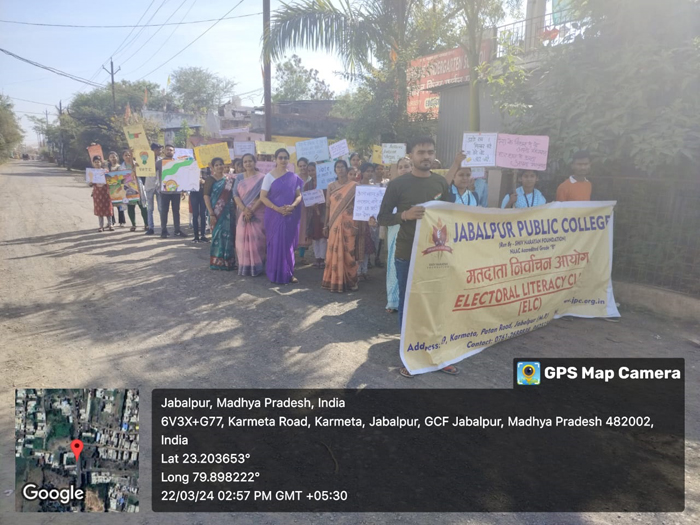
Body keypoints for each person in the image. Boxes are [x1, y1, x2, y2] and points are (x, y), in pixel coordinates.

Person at [377, 137, 459, 378]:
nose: (426, 156)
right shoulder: (397, 184)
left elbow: (449, 213)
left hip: (436, 254)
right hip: (407, 254)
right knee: (409, 306)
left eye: (430, 152)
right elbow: (382, 217)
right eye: (421, 152)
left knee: (435, 305)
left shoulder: (440, 182)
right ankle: (410, 357)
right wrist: (405, 215)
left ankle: (436, 354)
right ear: (411, 155)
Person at [259, 148, 303, 284]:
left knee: (288, 244)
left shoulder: (293, 177)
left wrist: (293, 206)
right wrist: (277, 209)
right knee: (275, 243)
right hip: (274, 215)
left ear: (288, 160)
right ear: (275, 159)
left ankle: (289, 272)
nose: (283, 160)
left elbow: (299, 196)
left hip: (289, 214)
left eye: (285, 158)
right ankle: (275, 272)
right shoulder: (269, 176)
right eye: (280, 157)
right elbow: (263, 197)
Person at [321, 160, 360, 292]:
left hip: (349, 224)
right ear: (335, 170)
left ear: (346, 169)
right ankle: (334, 280)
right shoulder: (331, 186)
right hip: (334, 224)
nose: (340, 169)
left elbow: (358, 206)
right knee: (333, 251)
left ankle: (351, 281)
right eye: (338, 167)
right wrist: (325, 225)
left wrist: (357, 225)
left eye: (342, 167)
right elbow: (328, 207)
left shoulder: (354, 186)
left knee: (349, 251)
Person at [384, 157, 412, 313]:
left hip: (414, 230)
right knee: (394, 263)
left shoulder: (419, 187)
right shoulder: (392, 187)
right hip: (395, 227)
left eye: (406, 166)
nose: (403, 169)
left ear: (412, 168)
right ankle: (393, 301)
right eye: (400, 167)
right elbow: (383, 211)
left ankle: (410, 301)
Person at [233, 153, 266, 276]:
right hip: (243, 212)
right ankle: (245, 266)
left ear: (254, 162)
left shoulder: (262, 177)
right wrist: (244, 209)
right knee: (242, 241)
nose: (248, 163)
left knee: (257, 240)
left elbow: (263, 196)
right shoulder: (239, 178)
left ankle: (258, 266)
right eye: (245, 162)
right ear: (243, 164)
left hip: (258, 212)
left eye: (250, 161)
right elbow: (235, 194)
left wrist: (251, 210)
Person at [204, 157, 237, 270]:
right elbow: (206, 197)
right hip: (216, 212)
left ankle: (229, 262)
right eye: (216, 165)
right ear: (213, 167)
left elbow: (234, 196)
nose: (219, 167)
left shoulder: (229, 180)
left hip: (228, 212)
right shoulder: (210, 180)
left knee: (229, 235)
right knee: (217, 235)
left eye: (221, 164)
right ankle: (217, 262)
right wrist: (211, 213)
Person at [156, 145, 187, 238]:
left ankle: (177, 230)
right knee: (164, 211)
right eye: (167, 150)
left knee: (176, 211)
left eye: (171, 150)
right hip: (164, 192)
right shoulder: (159, 163)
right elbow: (150, 171)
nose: (169, 151)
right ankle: (164, 230)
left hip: (176, 191)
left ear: (174, 152)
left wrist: (183, 190)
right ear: (164, 151)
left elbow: (182, 176)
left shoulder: (178, 162)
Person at [303, 162, 327, 269]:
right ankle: (317, 258)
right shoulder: (307, 185)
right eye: (309, 171)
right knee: (315, 237)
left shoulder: (325, 183)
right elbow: (306, 199)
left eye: (313, 170)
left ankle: (323, 258)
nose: (311, 172)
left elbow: (328, 197)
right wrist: (312, 205)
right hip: (312, 214)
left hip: (323, 212)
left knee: (323, 237)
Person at [120, 149, 148, 232]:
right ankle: (133, 224)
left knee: (142, 206)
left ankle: (146, 224)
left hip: (138, 187)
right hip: (127, 188)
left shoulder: (137, 164)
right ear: (123, 157)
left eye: (129, 155)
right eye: (126, 155)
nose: (128, 157)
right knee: (130, 207)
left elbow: (143, 173)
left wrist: (135, 168)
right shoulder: (121, 167)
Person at [357, 163, 376, 277]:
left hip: (370, 221)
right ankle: (357, 271)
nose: (369, 173)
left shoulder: (375, 187)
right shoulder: (356, 186)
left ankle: (364, 271)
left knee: (367, 245)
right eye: (367, 171)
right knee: (358, 245)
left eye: (371, 171)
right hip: (358, 221)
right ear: (362, 172)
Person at [89, 156, 113, 232]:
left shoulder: (105, 171)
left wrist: (109, 189)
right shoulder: (91, 172)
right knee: (99, 209)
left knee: (108, 208)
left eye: (98, 162)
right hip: (97, 193)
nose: (97, 163)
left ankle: (110, 224)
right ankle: (101, 226)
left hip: (105, 192)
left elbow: (110, 181)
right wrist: (91, 182)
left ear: (101, 163)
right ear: (93, 163)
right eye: (95, 162)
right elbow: (90, 184)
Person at [143, 143, 162, 235]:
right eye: (158, 149)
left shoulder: (161, 160)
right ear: (153, 150)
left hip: (159, 186)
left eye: (160, 149)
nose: (160, 151)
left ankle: (163, 228)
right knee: (150, 208)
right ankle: (151, 227)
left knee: (161, 208)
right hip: (149, 185)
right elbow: (139, 169)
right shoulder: (145, 160)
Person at [296, 157, 310, 262]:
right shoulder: (295, 178)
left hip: (309, 208)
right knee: (296, 229)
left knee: (304, 230)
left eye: (304, 165)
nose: (302, 168)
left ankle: (302, 255)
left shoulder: (311, 178)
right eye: (300, 166)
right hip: (297, 207)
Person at [190, 167, 209, 243]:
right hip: (194, 192)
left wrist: (204, 181)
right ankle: (196, 236)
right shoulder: (191, 166)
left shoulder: (207, 167)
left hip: (204, 192)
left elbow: (210, 179)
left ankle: (203, 235)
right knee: (195, 214)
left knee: (203, 214)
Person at [107, 151, 126, 226]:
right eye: (111, 157)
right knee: (110, 205)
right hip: (110, 188)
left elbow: (123, 177)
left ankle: (122, 221)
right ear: (109, 158)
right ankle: (112, 221)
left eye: (114, 157)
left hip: (119, 188)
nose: (112, 158)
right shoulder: (107, 168)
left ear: (117, 158)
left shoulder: (120, 167)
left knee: (120, 205)